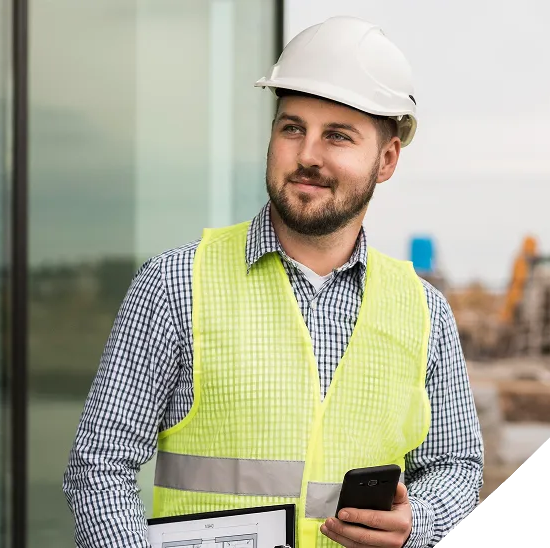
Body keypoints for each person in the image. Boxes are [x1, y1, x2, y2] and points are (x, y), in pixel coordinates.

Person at [63, 15, 484, 548]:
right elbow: (99, 467)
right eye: (292, 127)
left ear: (386, 160)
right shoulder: (175, 284)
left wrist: (418, 523)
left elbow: (457, 466)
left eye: (337, 136)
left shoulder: (424, 311)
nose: (307, 154)